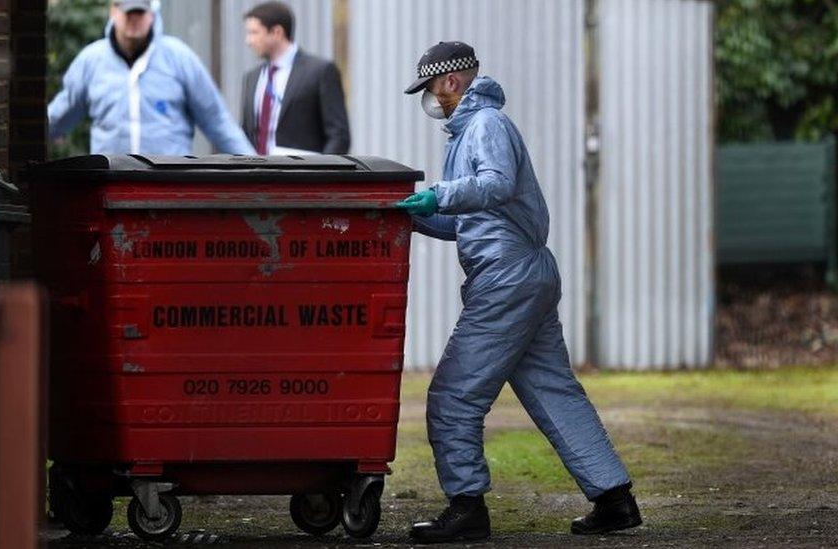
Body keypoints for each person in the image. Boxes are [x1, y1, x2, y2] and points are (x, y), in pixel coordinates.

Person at [396, 41, 642, 544]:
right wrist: (418, 218)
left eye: (430, 90)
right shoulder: (469, 132)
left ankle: (467, 508)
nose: (431, 101)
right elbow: (476, 218)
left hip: (506, 280)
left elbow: (495, 184)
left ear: (450, 82)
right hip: (524, 273)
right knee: (553, 390)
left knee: (452, 397)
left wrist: (436, 194)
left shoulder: (486, 125)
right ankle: (614, 499)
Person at [48, 0, 254, 155]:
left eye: (140, 12)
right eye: (128, 12)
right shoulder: (91, 61)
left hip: (168, 190)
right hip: (111, 189)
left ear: (152, 14)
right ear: (113, 11)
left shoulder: (179, 58)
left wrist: (256, 170)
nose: (134, 19)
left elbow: (217, 121)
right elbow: (58, 117)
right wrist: (22, 143)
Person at [241, 2, 350, 155]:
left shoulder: (320, 72)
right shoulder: (251, 78)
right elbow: (246, 135)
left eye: (254, 32)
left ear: (277, 32)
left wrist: (322, 174)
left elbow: (339, 136)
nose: (248, 41)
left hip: (303, 176)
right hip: (256, 175)